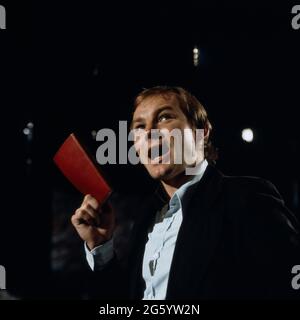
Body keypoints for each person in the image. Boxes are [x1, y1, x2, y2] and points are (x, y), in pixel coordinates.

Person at [71, 86, 300, 299]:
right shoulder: (146, 219)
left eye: (164, 117)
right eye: (139, 126)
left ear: (202, 131)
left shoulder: (246, 199)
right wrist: (100, 247)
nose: (149, 132)